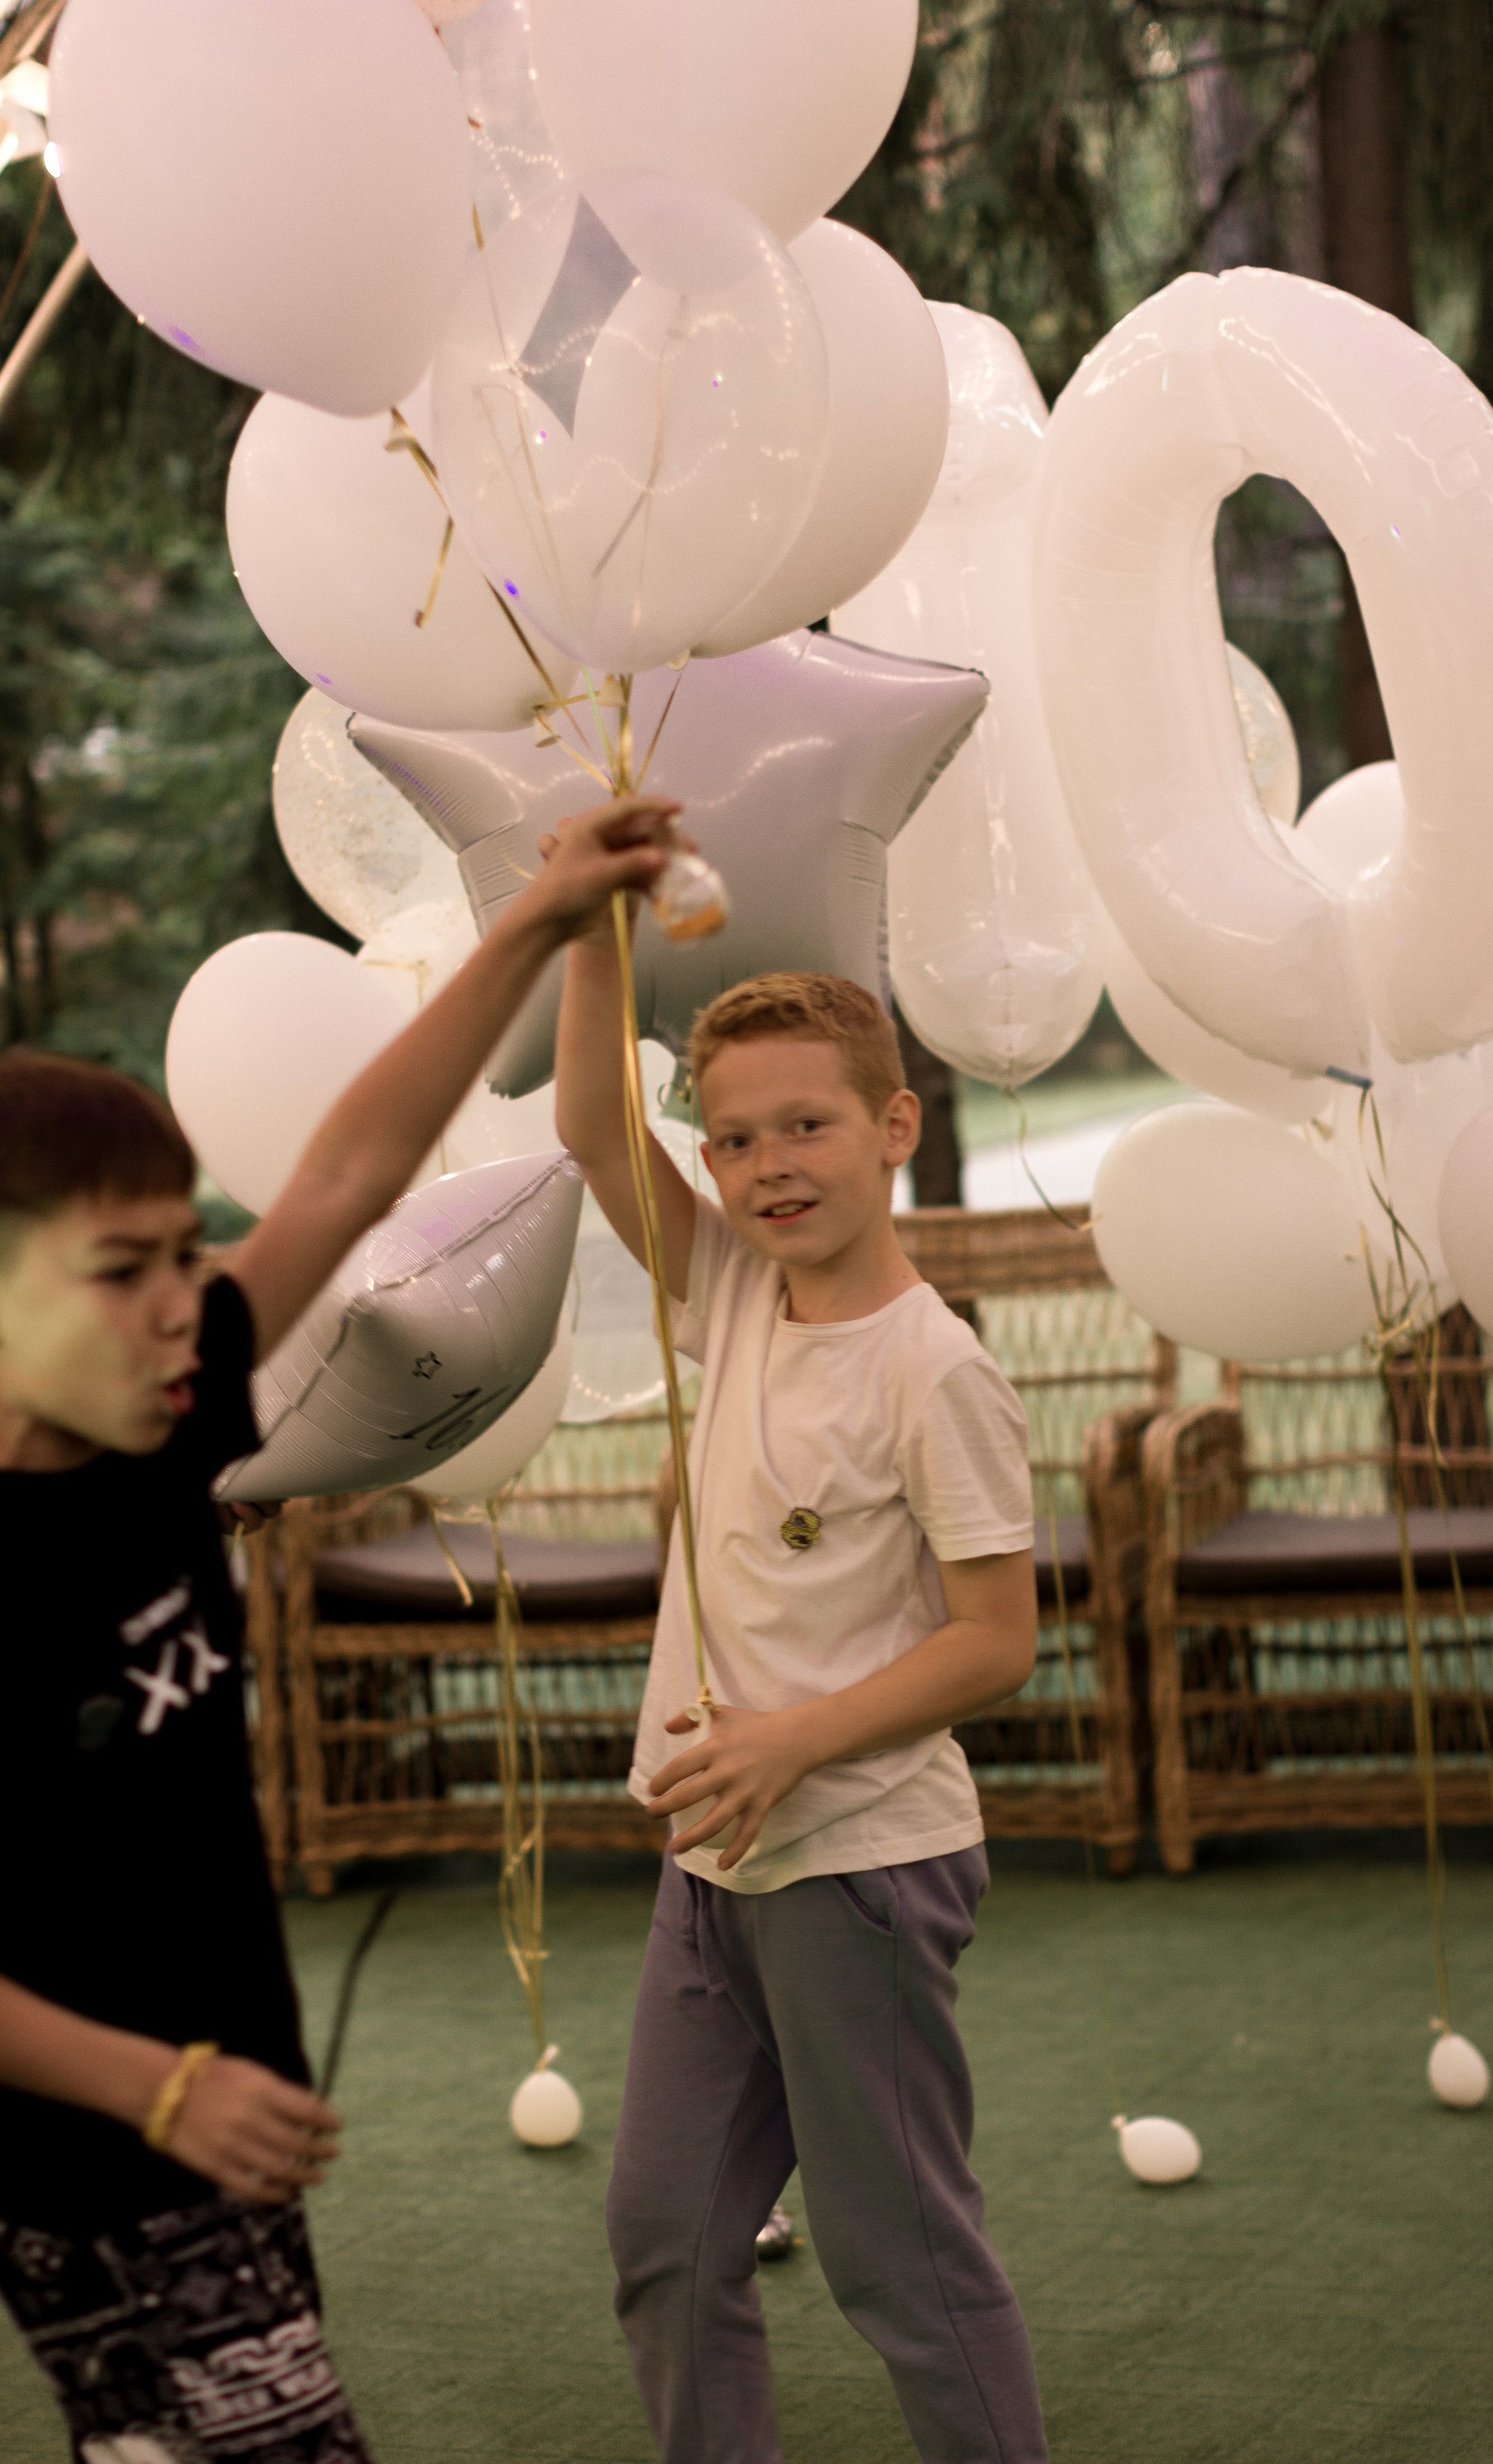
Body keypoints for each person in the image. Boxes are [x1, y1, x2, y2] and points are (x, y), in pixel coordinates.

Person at [0, 794, 676, 2464]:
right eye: (119, 1270)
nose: (185, 1298)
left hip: (201, 2114)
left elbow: (351, 1169)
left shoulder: (169, 1414)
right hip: (109, 2136)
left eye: (185, 1254)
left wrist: (529, 923)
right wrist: (159, 2090)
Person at [556, 943, 1050, 2464]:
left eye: (805, 1126)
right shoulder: (735, 1293)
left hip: (861, 1876)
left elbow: (994, 1644)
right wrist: (593, 925)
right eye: (732, 1137)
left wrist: (787, 1741)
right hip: (709, 1867)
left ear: (896, 1127)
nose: (767, 1166)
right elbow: (589, 1128)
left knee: (898, 2262)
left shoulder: (934, 1373)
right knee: (662, 2242)